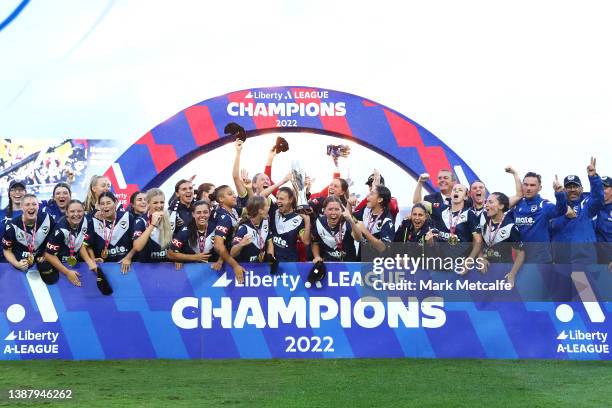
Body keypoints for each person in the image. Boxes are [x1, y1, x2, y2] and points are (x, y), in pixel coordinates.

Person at [549, 158, 604, 264]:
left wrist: (593, 177)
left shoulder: (587, 206)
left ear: (582, 189)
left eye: (575, 186)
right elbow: (551, 231)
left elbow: (598, 198)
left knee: (581, 280)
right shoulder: (556, 210)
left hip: (584, 260)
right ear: (564, 190)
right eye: (569, 187)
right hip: (561, 262)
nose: (572, 190)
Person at [419, 184, 482, 269]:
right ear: (450, 195)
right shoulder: (440, 209)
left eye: (460, 190)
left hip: (459, 264)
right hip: (439, 263)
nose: (456, 191)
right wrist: (420, 183)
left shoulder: (469, 214)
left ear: (466, 197)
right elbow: (419, 203)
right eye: (454, 189)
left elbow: (478, 241)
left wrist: (469, 262)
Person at [512, 172, 568, 263]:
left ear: (540, 188)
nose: (528, 188)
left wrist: (559, 194)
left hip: (540, 260)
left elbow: (561, 210)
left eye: (532, 185)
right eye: (525, 185)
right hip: (519, 261)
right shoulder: (516, 205)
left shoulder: (544, 205)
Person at [2, 194, 56, 283]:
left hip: (42, 262)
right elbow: (6, 250)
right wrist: (16, 263)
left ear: (38, 206)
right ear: (22, 207)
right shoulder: (11, 226)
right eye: (27, 205)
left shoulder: (47, 219)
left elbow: (53, 240)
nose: (31, 207)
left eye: (34, 204)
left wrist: (46, 254)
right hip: (20, 264)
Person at [44, 200, 98, 286]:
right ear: (66, 213)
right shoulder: (60, 230)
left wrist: (90, 261)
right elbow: (48, 254)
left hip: (77, 264)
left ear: (84, 211)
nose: (76, 214)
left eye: (79, 211)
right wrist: (67, 272)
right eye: (72, 211)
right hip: (60, 266)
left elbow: (80, 244)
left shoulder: (87, 222)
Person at [477, 192, 525, 288]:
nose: (486, 205)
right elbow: (477, 241)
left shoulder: (510, 227)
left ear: (501, 206)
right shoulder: (482, 217)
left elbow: (521, 253)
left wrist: (512, 274)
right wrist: (481, 257)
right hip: (484, 269)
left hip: (502, 271)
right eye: (486, 202)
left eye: (490, 202)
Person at [85, 192, 135, 273]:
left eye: (108, 203)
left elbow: (137, 242)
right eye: (102, 204)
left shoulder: (127, 217)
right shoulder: (93, 221)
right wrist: (93, 259)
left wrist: (129, 257)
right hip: (104, 269)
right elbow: (88, 245)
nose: (105, 206)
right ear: (99, 206)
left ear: (115, 203)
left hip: (126, 267)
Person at [209, 185, 246, 282]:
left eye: (234, 193)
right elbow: (218, 245)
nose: (234, 196)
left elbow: (253, 207)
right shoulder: (224, 217)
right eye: (230, 194)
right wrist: (235, 266)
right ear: (221, 199)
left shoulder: (232, 211)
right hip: (217, 263)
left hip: (223, 258)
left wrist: (249, 189)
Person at [311, 196, 362, 262]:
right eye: (330, 209)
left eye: (337, 209)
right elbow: (315, 242)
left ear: (341, 210)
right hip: (329, 265)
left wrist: (351, 220)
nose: (333, 213)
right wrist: (317, 256)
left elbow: (358, 238)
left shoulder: (347, 221)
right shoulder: (319, 222)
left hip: (349, 265)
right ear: (324, 211)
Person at [268, 186, 311, 262]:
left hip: (290, 263)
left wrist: (307, 221)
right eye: (277, 198)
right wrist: (283, 180)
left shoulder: (299, 219)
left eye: (281, 199)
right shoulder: (274, 211)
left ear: (291, 200)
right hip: (272, 261)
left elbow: (306, 241)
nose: (278, 201)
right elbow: (261, 196)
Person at [167, 200, 214, 266]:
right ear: (193, 214)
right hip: (191, 269)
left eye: (205, 212)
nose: (202, 215)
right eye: (198, 213)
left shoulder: (215, 228)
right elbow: (170, 254)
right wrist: (194, 257)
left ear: (210, 213)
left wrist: (221, 260)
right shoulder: (186, 230)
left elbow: (225, 249)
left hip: (213, 270)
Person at [132, 189, 173, 262]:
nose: (159, 205)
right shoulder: (141, 221)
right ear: (148, 203)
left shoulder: (170, 218)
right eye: (155, 203)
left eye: (162, 202)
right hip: (148, 267)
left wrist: (178, 259)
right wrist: (152, 224)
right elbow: (137, 247)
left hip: (167, 267)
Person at [354, 185, 394, 254]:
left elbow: (383, 248)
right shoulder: (366, 210)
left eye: (372, 193)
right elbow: (350, 217)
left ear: (380, 199)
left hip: (377, 263)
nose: (367, 195)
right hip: (361, 260)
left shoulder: (387, 220)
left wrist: (365, 231)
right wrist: (348, 203)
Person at [230, 196, 271, 262]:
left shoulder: (265, 222)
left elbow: (270, 241)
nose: (269, 208)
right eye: (267, 206)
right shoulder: (244, 228)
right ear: (260, 211)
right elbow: (232, 253)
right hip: (247, 269)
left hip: (260, 268)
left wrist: (270, 257)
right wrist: (241, 244)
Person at [595, 175, 611, 269]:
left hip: (609, 265)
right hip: (590, 261)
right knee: (580, 281)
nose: (601, 190)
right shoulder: (588, 205)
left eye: (605, 187)